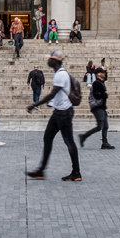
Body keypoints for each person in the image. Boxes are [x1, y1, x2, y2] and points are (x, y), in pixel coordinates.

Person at [25, 49, 81, 182]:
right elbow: (57, 95)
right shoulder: (59, 74)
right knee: (47, 138)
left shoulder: (61, 75)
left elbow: (53, 93)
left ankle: (76, 172)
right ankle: (41, 170)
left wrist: (35, 104)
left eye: (50, 58)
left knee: (69, 141)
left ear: (56, 60)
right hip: (59, 112)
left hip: (64, 113)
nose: (48, 60)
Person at [79, 66, 113, 149]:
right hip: (97, 107)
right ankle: (83, 136)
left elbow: (105, 78)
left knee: (105, 126)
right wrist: (105, 94)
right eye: (102, 72)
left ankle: (105, 143)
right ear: (98, 74)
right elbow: (96, 95)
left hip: (101, 107)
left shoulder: (101, 82)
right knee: (100, 126)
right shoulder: (97, 83)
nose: (104, 73)